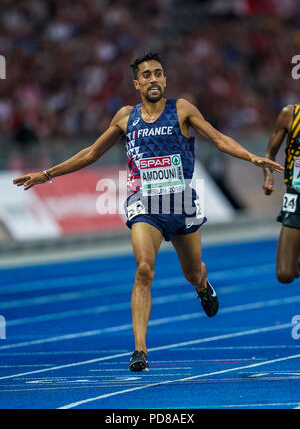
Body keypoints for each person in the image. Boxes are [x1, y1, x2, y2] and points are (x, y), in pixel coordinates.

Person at [13, 52, 283, 372]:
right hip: (145, 204)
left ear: (164, 79)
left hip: (181, 204)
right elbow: (90, 153)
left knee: (193, 272)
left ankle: (202, 286)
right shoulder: (126, 117)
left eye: (158, 73)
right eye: (147, 75)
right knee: (144, 269)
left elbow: (219, 139)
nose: (153, 79)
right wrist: (46, 174)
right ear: (136, 83)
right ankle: (140, 350)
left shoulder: (182, 109)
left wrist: (253, 159)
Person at [263, 103, 300, 284]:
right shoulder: (290, 114)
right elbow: (270, 153)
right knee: (285, 274)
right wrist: (269, 176)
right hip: (296, 196)